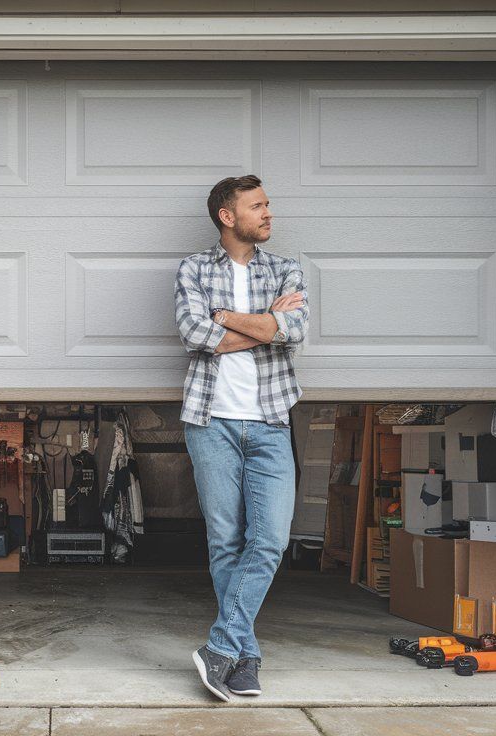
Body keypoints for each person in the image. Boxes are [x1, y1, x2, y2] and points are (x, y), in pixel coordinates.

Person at [174, 174, 308, 702]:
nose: (268, 213)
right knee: (225, 541)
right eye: (258, 206)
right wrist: (264, 322)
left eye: (268, 204)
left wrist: (227, 319)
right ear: (228, 216)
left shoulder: (284, 268)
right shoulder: (194, 268)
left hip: (271, 420)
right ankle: (245, 658)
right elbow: (192, 334)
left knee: (270, 539)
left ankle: (221, 648)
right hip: (211, 421)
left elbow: (292, 331)